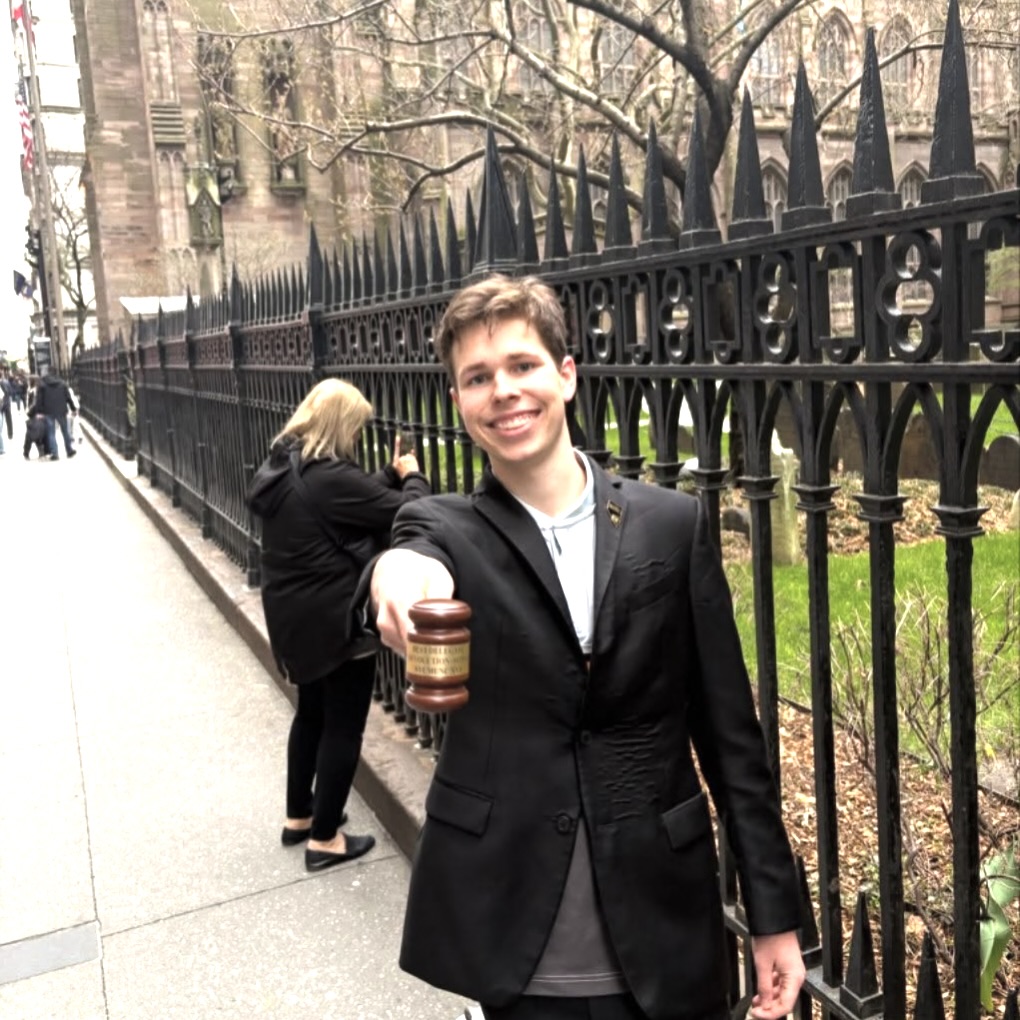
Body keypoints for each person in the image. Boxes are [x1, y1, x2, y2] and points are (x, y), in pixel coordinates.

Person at [366, 276, 806, 1020]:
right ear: (457, 403)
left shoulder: (670, 526)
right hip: (520, 943)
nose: (503, 390)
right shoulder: (449, 529)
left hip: (662, 924)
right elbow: (409, 557)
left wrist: (774, 913)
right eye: (477, 377)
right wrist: (398, 581)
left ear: (566, 375)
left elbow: (732, 740)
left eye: (522, 365)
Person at [246, 378, 431, 872]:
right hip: (335, 617)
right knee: (345, 724)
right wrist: (411, 476)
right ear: (340, 425)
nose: (357, 436)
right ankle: (325, 839)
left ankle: (300, 816)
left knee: (311, 714)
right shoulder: (328, 477)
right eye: (355, 427)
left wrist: (386, 475)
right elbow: (409, 513)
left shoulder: (283, 468)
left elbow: (348, 499)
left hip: (293, 616)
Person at [35, 367, 77, 460]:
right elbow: (68, 397)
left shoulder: (42, 384)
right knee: (65, 431)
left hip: (48, 411)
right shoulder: (62, 383)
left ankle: (55, 453)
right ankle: (69, 450)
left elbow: (39, 399)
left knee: (51, 433)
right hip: (61, 410)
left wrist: (38, 411)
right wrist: (73, 408)